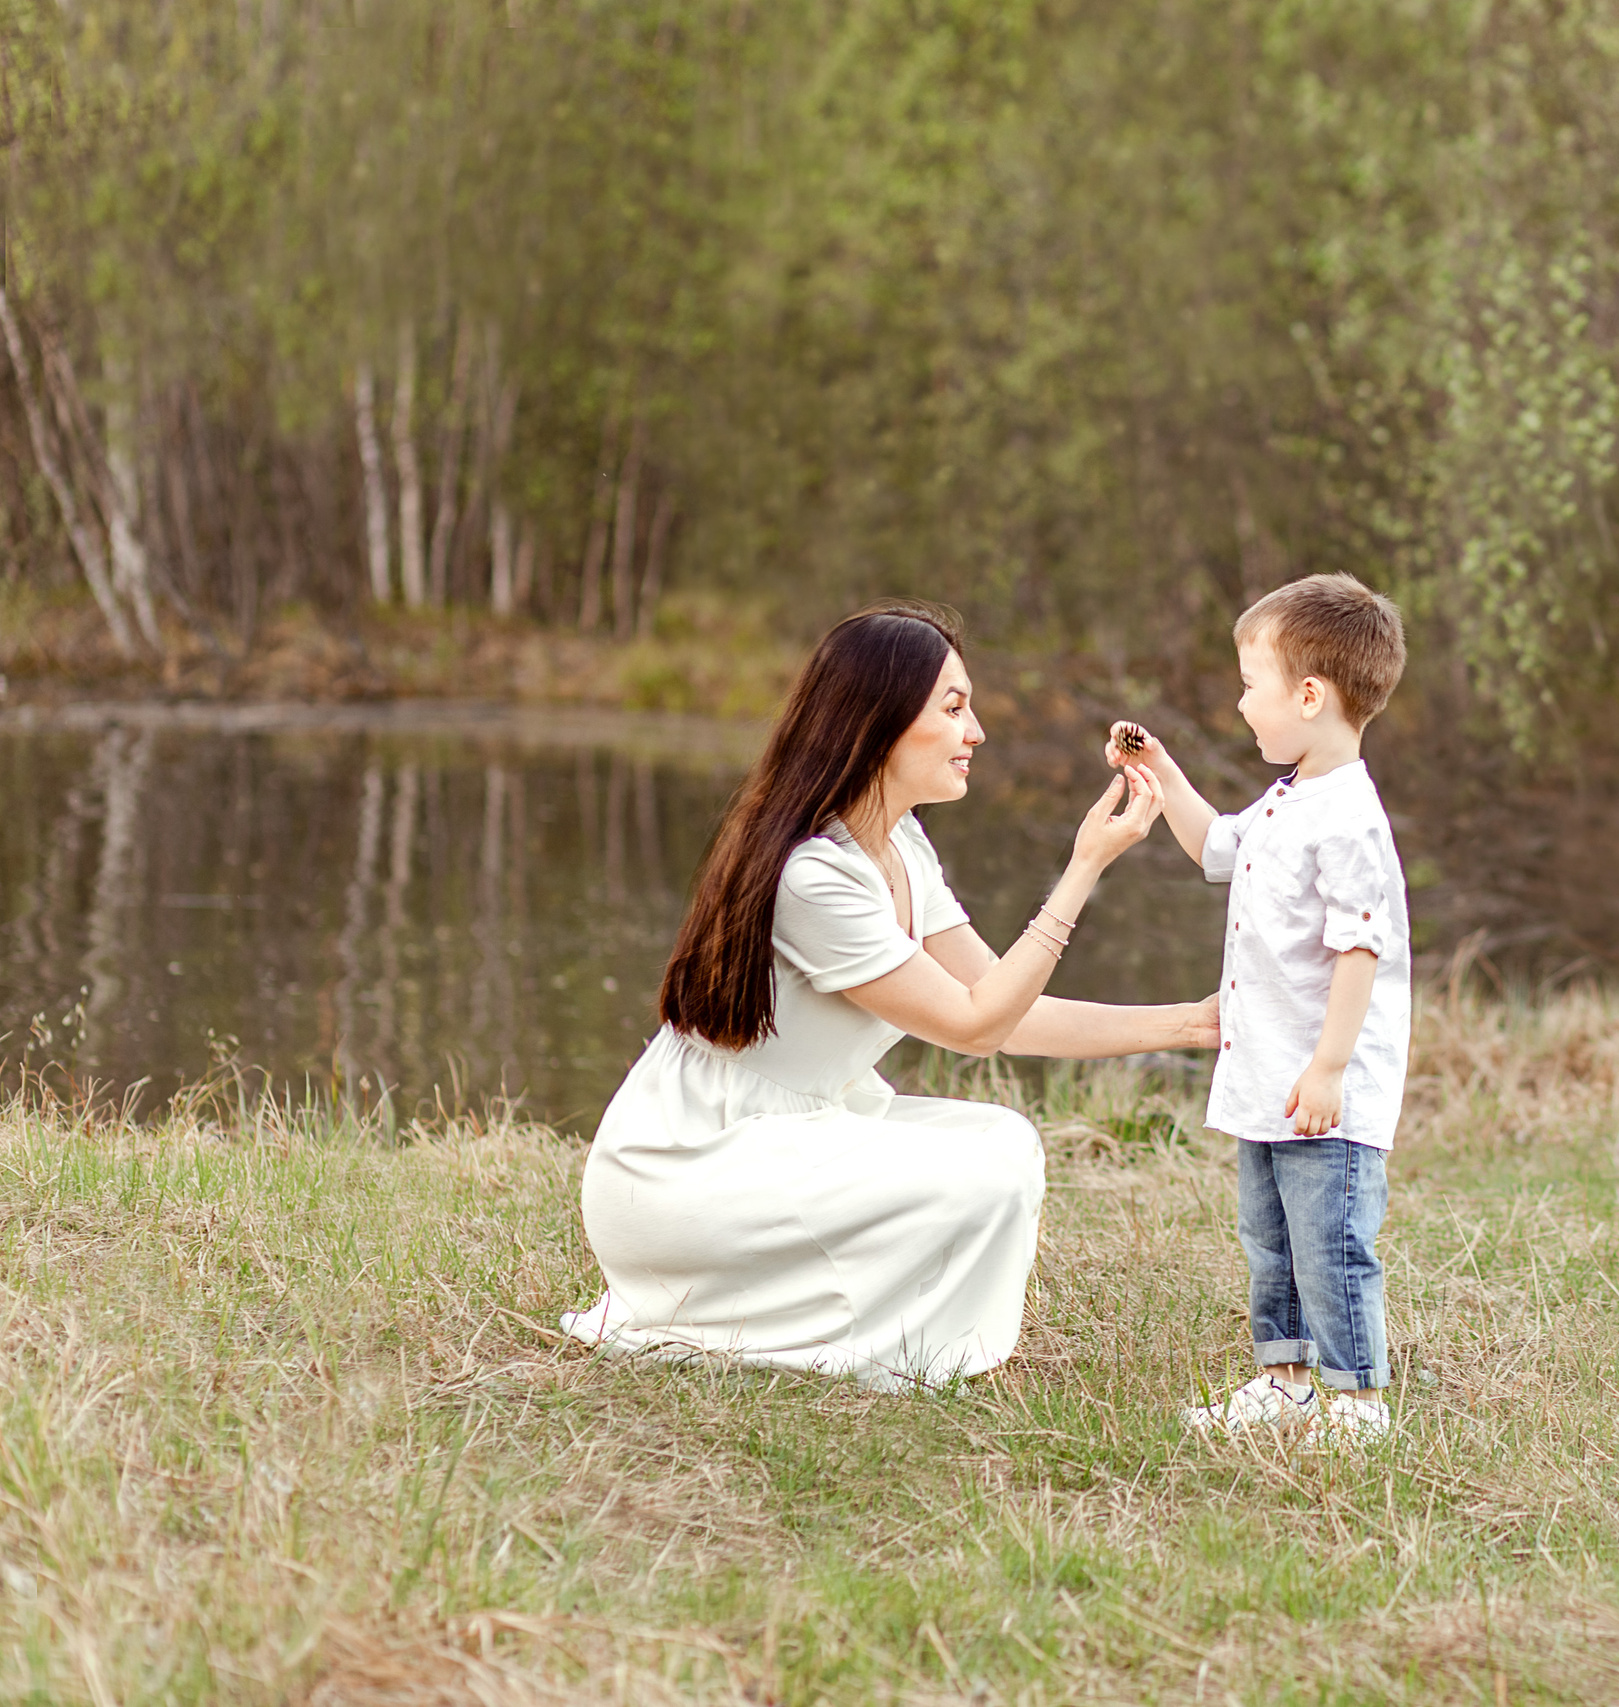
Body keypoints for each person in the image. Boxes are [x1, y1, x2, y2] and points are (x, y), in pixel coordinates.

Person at [563, 601, 1215, 1389]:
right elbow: (976, 1027)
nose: (975, 732)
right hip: (687, 1169)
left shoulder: (901, 842)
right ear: (877, 720)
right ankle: (835, 1338)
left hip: (793, 1134)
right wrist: (1083, 868)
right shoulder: (814, 874)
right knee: (980, 1176)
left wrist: (1197, 1023)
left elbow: (1003, 1009)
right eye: (953, 707)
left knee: (1005, 1146)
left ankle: (890, 1335)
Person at [1106, 573, 1410, 1442]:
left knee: (1332, 1246)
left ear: (1309, 695)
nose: (1241, 704)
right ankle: (1283, 1382)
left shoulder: (1346, 816)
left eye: (1251, 685)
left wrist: (1329, 1067)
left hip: (1320, 1088)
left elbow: (1361, 948)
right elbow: (1214, 848)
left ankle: (1358, 1404)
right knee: (1269, 1238)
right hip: (1267, 1076)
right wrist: (1159, 771)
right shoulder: (1286, 799)